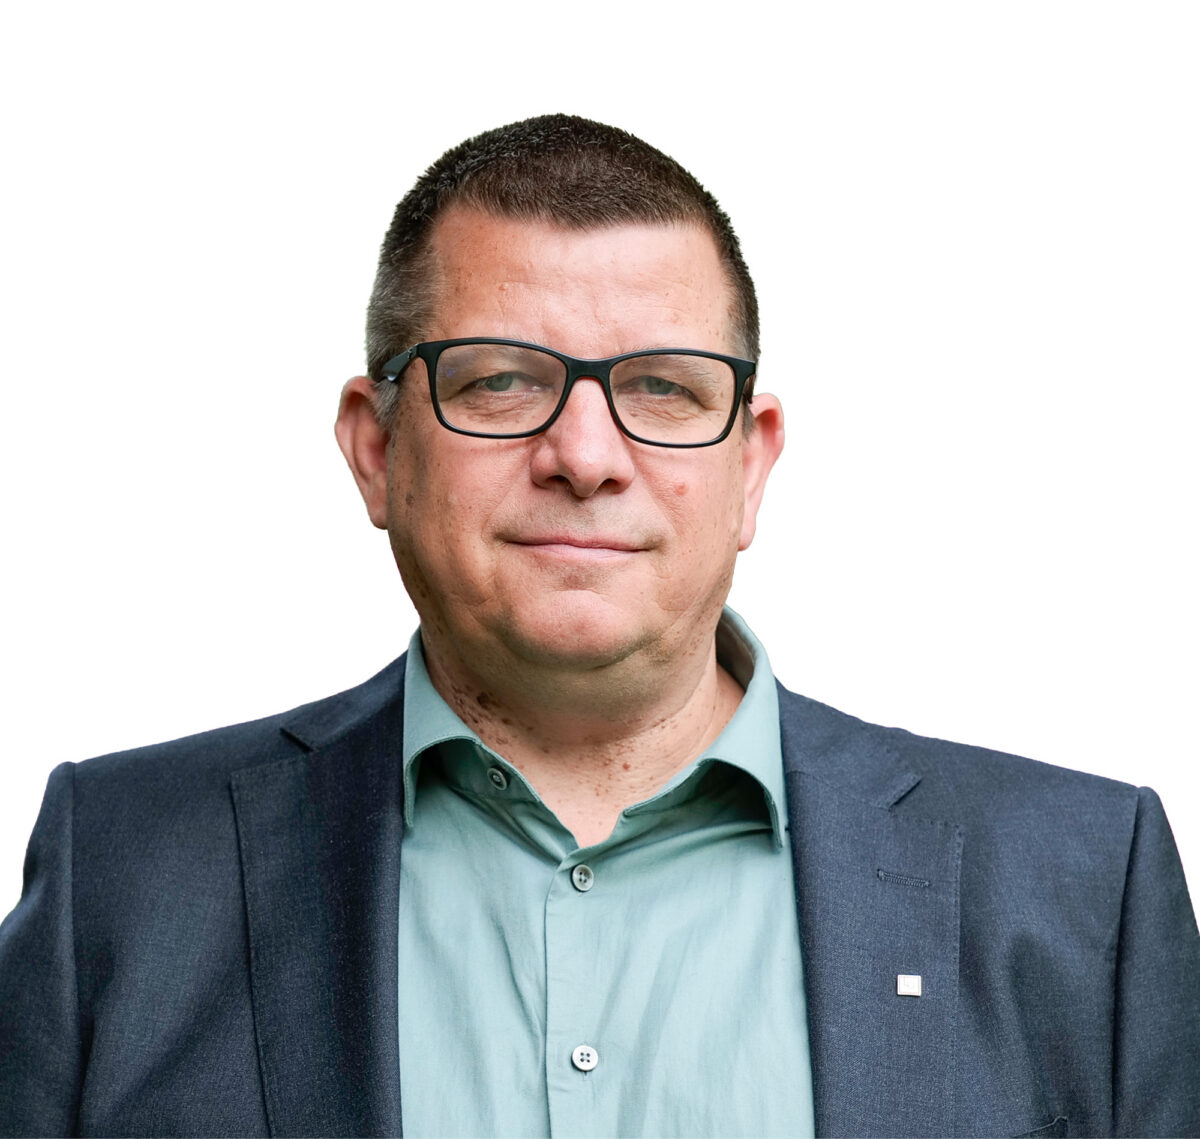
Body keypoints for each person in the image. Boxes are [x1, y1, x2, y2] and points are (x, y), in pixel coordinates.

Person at [1, 114, 1197, 1139]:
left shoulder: (1084, 891)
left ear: (751, 464)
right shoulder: (125, 875)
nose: (584, 455)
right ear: (375, 449)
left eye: (663, 386)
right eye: (500, 380)